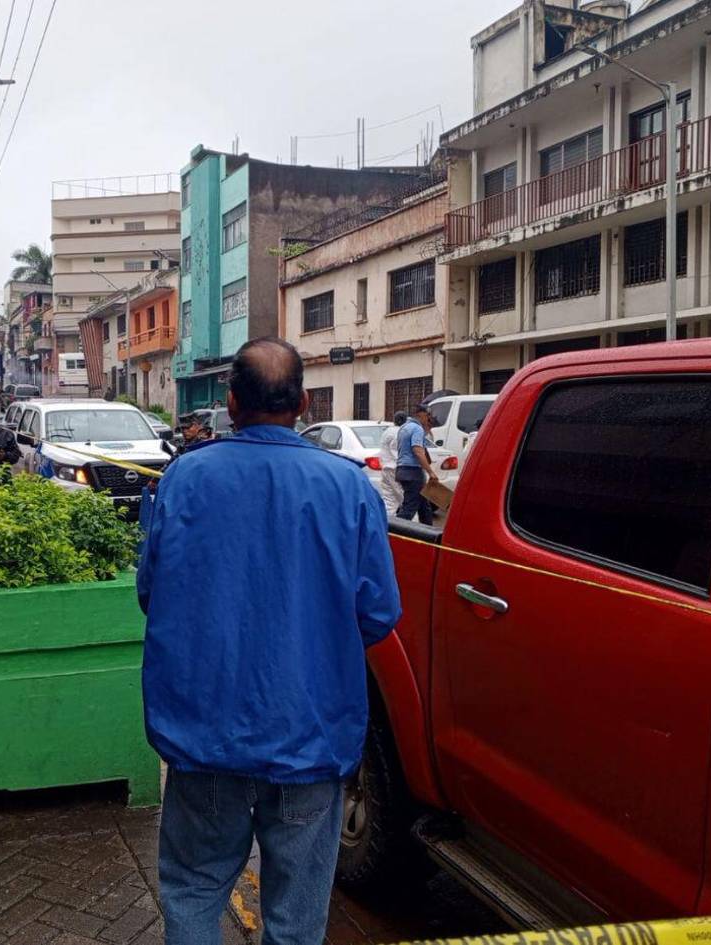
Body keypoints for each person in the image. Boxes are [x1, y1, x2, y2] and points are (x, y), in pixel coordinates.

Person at [138, 337, 401, 945]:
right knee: (295, 920)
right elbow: (380, 613)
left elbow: (151, 592)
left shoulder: (183, 479)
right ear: (304, 402)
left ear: (230, 404)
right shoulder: (351, 489)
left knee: (195, 894)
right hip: (310, 739)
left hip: (204, 738)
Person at [395, 404, 435, 525]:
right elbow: (417, 451)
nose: (429, 418)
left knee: (424, 506)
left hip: (402, 470)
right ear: (420, 414)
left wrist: (427, 428)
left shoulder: (404, 427)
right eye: (427, 415)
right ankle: (395, 533)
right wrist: (430, 472)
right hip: (412, 472)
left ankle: (429, 535)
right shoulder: (417, 429)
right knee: (409, 508)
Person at [378, 411, 407, 516]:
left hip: (385, 468)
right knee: (405, 498)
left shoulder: (387, 431)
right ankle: (413, 527)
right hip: (395, 469)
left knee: (390, 500)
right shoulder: (400, 433)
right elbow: (397, 452)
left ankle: (387, 524)